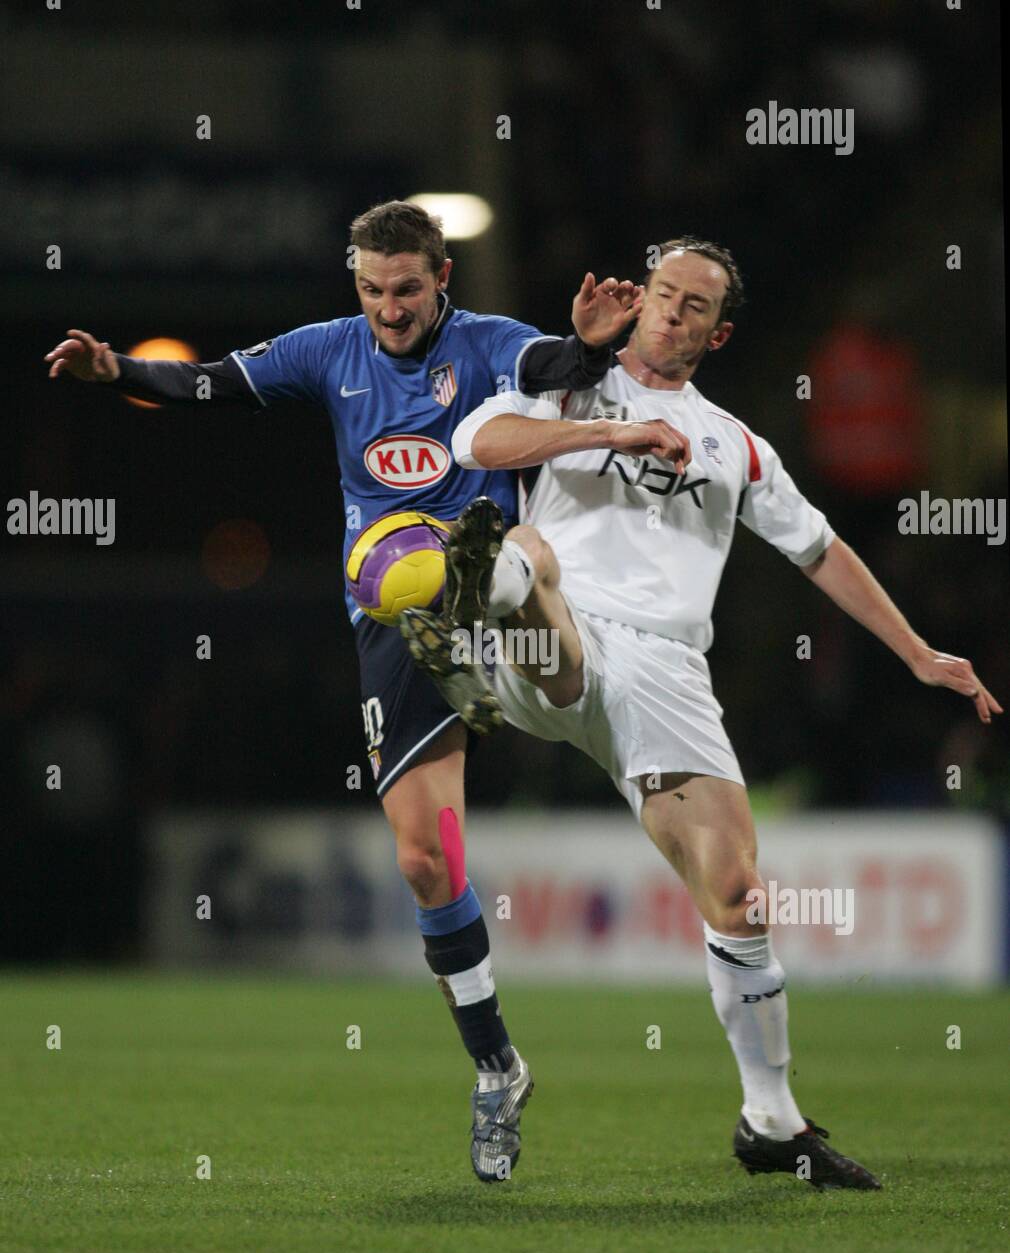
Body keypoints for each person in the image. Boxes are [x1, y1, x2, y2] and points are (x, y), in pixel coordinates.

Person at [44, 199, 645, 1183]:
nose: (390, 308)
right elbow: (212, 383)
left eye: (407, 288)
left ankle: (514, 614)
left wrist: (582, 352)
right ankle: (496, 1064)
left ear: (439, 277)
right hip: (392, 623)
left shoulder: (488, 346)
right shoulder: (329, 351)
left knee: (514, 560)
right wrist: (118, 373)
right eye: (372, 289)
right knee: (423, 857)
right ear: (354, 283)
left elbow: (550, 369)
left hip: (489, 580)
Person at [404, 236, 1002, 1189]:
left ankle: (771, 1122)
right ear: (638, 299)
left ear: (717, 334)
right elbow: (474, 443)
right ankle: (480, 609)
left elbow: (821, 551)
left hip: (667, 671)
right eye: (662, 294)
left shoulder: (737, 444)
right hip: (561, 636)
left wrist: (920, 653)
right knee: (528, 550)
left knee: (740, 895)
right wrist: (610, 430)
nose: (670, 314)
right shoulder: (571, 381)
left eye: (693, 307)